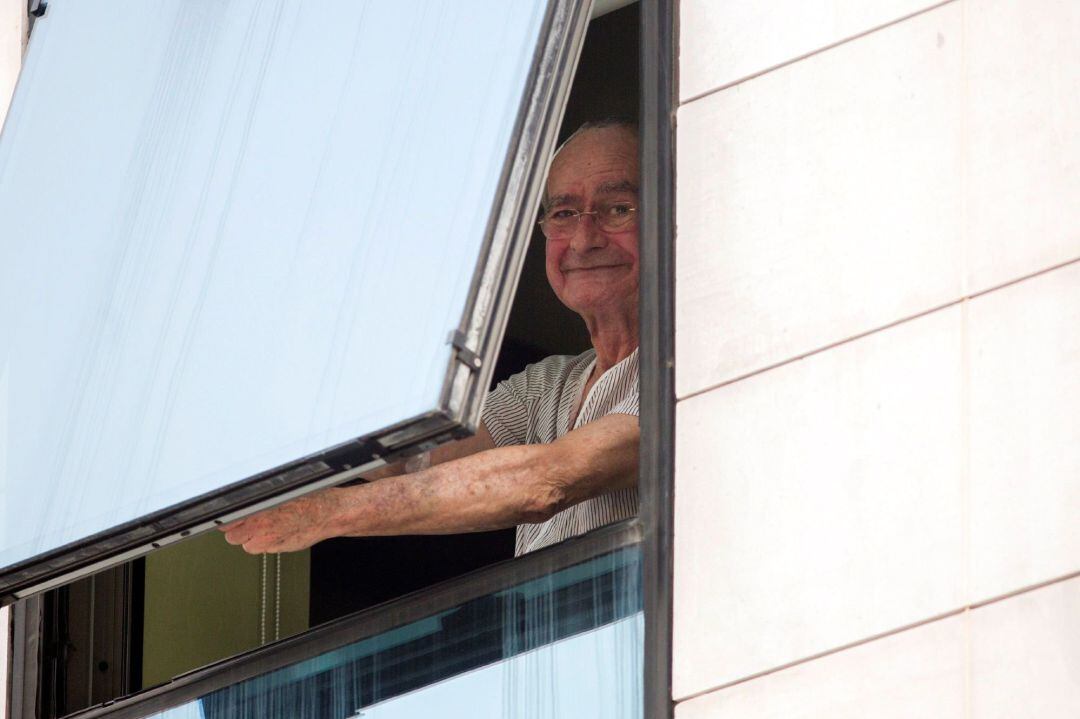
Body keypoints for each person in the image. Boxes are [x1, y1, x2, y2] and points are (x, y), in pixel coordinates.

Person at [222, 120, 641, 556]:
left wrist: (327, 513)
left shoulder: (682, 364)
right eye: (564, 214)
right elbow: (412, 461)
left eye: (617, 209)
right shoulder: (548, 384)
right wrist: (272, 392)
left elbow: (544, 482)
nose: (584, 239)